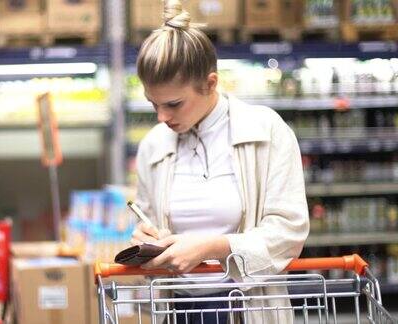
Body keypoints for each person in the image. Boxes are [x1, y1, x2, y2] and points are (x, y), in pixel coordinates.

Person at [129, 0, 309, 323]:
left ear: (211, 83)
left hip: (248, 308)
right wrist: (146, 238)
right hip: (178, 309)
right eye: (153, 103)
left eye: (174, 104)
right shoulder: (154, 146)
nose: (161, 116)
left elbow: (288, 231)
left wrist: (212, 247)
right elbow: (150, 220)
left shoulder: (266, 132)